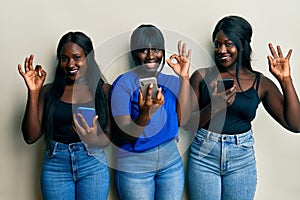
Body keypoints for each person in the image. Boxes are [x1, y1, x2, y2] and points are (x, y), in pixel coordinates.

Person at [187, 15, 300, 200]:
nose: (221, 50)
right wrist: (215, 107)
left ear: (243, 45)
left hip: (241, 160)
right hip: (203, 157)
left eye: (228, 44)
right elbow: (187, 123)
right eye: (217, 44)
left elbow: (295, 125)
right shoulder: (201, 77)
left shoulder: (260, 83)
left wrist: (285, 80)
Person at [17, 31, 111, 200]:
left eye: (77, 57)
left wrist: (93, 138)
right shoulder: (49, 91)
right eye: (64, 58)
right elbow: (30, 137)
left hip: (93, 164)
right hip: (55, 165)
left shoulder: (103, 91)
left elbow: (111, 137)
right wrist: (33, 92)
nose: (70, 64)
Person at [110, 24, 191, 200]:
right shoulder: (123, 84)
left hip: (171, 163)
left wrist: (184, 78)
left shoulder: (172, 82)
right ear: (134, 54)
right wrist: (146, 113)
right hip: (135, 165)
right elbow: (124, 135)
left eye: (155, 49)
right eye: (143, 50)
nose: (151, 55)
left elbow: (184, 121)